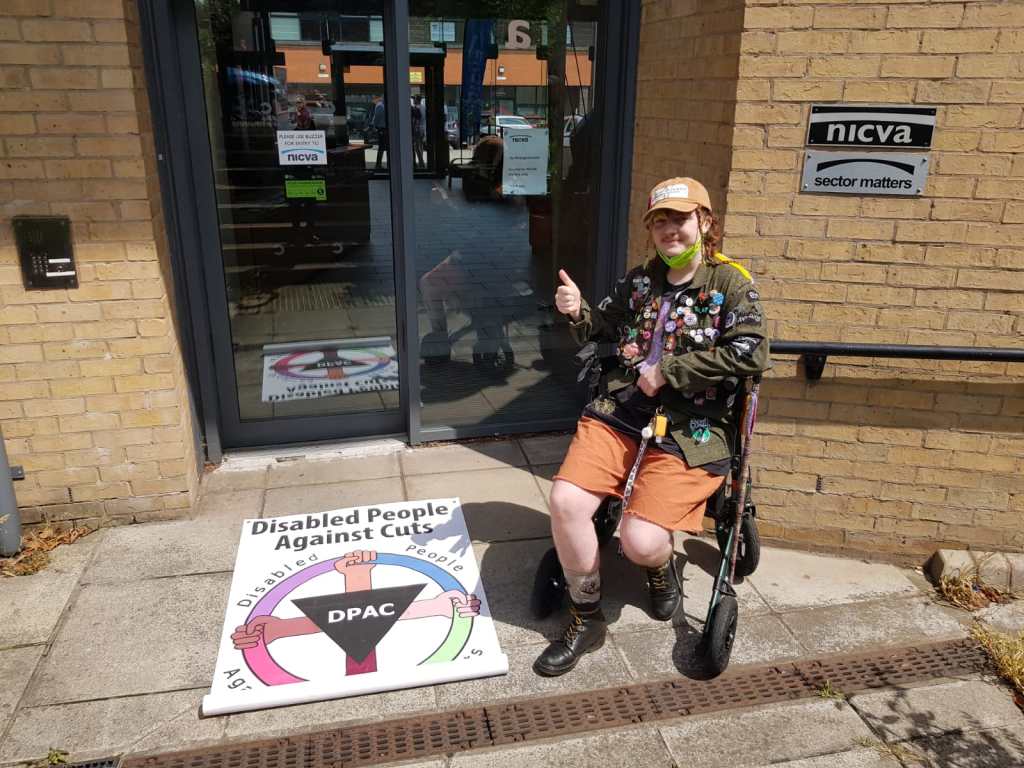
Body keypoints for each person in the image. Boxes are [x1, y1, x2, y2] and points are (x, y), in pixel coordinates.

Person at [534, 177, 770, 677]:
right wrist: (579, 313)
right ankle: (586, 615)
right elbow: (606, 325)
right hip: (622, 410)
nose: (670, 230)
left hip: (694, 425)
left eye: (681, 219)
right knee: (566, 502)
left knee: (639, 542)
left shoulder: (731, 284)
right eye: (660, 221)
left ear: (705, 223)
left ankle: (659, 569)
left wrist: (670, 370)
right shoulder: (640, 280)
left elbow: (751, 351)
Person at [371, 95, 388, 170]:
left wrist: (374, 126)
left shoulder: (380, 106)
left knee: (382, 147)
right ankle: (378, 164)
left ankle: (378, 164)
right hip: (383, 129)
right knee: (382, 147)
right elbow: (377, 117)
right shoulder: (381, 106)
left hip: (382, 129)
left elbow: (376, 117)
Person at [411, 94, 426, 170]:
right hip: (423, 128)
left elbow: (416, 119)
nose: (413, 100)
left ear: (417, 100)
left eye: (414, 99)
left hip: (417, 128)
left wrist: (415, 127)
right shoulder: (423, 107)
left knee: (416, 146)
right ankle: (421, 162)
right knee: (420, 146)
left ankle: (421, 162)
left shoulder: (416, 108)